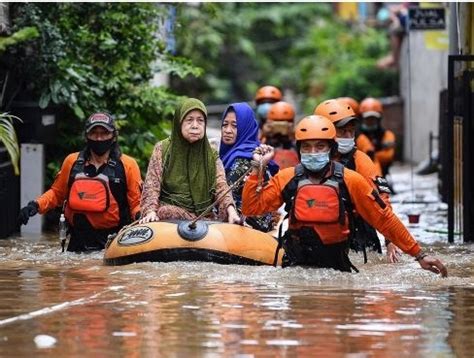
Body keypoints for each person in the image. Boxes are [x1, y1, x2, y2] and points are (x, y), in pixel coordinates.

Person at [241, 115, 447, 276]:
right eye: (307, 147)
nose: (313, 152)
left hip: (337, 267)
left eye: (320, 146)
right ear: (300, 149)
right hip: (296, 266)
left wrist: (419, 254)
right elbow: (252, 208)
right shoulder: (287, 178)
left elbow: (383, 218)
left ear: (331, 149)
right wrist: (257, 168)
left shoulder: (351, 180)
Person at [18, 112, 143, 252]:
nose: (99, 138)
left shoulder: (128, 165)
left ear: (114, 136)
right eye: (94, 133)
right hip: (77, 241)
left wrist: (142, 217)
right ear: (86, 136)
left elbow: (136, 204)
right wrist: (35, 206)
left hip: (114, 243)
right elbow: (57, 194)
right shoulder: (72, 162)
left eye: (104, 133)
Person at [314, 99, 401, 263]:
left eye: (351, 131)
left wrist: (390, 240)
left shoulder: (361, 160)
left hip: (358, 234)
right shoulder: (308, 161)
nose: (348, 137)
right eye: (342, 131)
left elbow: (382, 202)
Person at [139, 98, 241, 224]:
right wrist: (150, 212)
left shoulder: (211, 153)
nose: (195, 126)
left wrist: (231, 211)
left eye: (200, 121)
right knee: (165, 211)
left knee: (227, 215)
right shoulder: (163, 148)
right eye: (189, 120)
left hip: (205, 214)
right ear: (179, 123)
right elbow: (152, 184)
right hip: (172, 212)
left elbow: (221, 186)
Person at [220, 102, 279, 232]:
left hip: (248, 225)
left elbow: (223, 195)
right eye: (225, 124)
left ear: (245, 128)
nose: (228, 130)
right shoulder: (232, 154)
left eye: (235, 126)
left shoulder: (244, 159)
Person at [357, 97, 396, 179]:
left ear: (378, 119)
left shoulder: (387, 134)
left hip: (382, 174)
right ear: (362, 118)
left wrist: (370, 156)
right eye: (368, 118)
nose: (370, 121)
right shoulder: (356, 135)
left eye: (373, 118)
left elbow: (388, 156)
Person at [262, 101, 299, 170]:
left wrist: (294, 133)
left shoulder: (296, 142)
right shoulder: (265, 142)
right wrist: (264, 134)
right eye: (276, 123)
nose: (280, 126)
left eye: (283, 123)